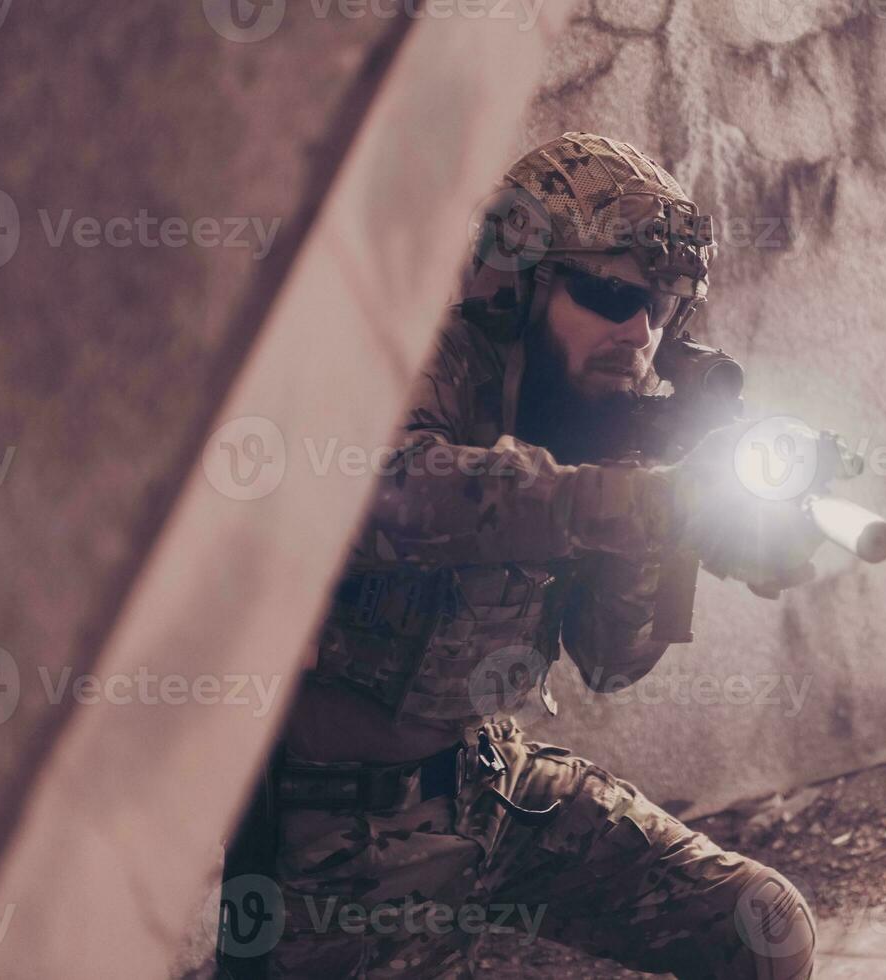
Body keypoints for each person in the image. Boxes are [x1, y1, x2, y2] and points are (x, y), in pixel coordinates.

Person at [237, 132, 819, 979]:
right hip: (338, 836)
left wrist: (675, 531)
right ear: (517, 283)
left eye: (658, 309)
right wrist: (631, 501)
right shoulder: (417, 362)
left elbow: (612, 661)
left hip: (493, 786)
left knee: (765, 926)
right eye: (607, 294)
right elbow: (391, 489)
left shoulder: (601, 417)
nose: (637, 333)